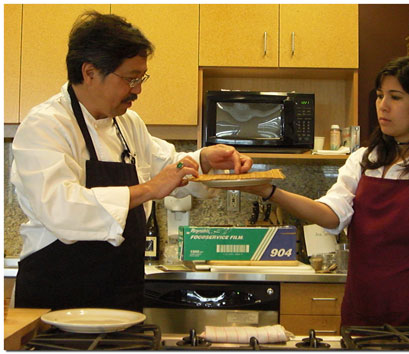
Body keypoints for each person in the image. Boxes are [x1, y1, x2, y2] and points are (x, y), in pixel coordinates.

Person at [11, 11, 252, 312]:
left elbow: (169, 165)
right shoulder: (45, 125)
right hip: (56, 296)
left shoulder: (128, 124)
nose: (138, 89)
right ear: (89, 72)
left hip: (121, 293)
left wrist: (203, 159)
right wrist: (149, 189)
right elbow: (62, 208)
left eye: (141, 77)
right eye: (130, 78)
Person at [235, 56, 409, 334]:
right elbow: (330, 214)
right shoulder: (365, 159)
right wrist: (269, 191)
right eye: (380, 95)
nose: (382, 106)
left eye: (395, 97)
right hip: (360, 313)